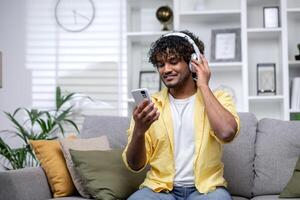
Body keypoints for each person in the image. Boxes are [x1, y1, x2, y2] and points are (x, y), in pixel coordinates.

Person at [122, 30, 240, 200]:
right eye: (161, 64)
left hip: (206, 191)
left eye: (173, 62)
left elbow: (227, 133)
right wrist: (139, 131)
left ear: (193, 63)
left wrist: (203, 86)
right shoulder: (150, 105)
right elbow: (134, 165)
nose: (166, 70)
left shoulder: (219, 98)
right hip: (160, 191)